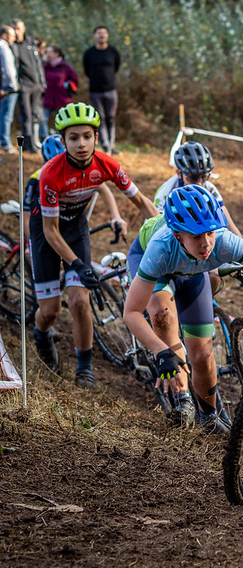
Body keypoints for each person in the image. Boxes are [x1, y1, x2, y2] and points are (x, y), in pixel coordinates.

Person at [123, 185, 243, 432]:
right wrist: (160, 351)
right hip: (156, 265)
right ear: (178, 235)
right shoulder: (160, 247)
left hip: (192, 271)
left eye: (209, 233)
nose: (207, 243)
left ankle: (208, 416)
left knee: (203, 354)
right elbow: (131, 312)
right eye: (197, 236)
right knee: (161, 317)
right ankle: (183, 398)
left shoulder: (223, 241)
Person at [30, 102, 158, 387]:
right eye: (73, 138)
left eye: (86, 136)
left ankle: (84, 368)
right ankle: (40, 333)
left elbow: (141, 202)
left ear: (96, 138)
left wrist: (166, 231)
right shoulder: (51, 174)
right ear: (63, 141)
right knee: (50, 311)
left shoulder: (107, 164)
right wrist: (76, 263)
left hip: (75, 229)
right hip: (46, 234)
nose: (81, 144)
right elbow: (50, 231)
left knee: (79, 300)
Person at [154, 140, 242, 293]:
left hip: (198, 243)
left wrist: (241, 246)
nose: (200, 184)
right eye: (194, 178)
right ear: (179, 173)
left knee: (213, 278)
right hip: (172, 245)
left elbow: (228, 221)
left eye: (205, 177)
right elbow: (162, 234)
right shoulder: (165, 194)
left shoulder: (209, 188)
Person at [23, 134, 126, 241]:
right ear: (45, 163)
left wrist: (116, 216)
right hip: (44, 226)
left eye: (64, 166)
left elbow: (103, 188)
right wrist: (35, 241)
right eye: (54, 166)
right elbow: (26, 218)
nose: (60, 171)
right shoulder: (35, 180)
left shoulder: (78, 171)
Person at [82, 26, 120, 154]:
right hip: (95, 91)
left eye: (104, 33)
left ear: (107, 35)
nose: (102, 35)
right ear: (94, 36)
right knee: (100, 118)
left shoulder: (113, 52)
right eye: (99, 33)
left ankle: (111, 144)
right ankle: (105, 145)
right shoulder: (89, 53)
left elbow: (116, 67)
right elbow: (86, 70)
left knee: (111, 117)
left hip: (111, 90)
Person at [11, 19, 46, 152]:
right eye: (14, 29)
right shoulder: (12, 45)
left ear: (23, 28)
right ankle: (28, 144)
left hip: (36, 84)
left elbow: (38, 63)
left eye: (18, 28)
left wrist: (42, 81)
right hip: (23, 86)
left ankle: (33, 142)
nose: (16, 31)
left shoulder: (31, 42)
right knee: (26, 115)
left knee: (35, 113)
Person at [40, 45, 78, 140]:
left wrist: (68, 86)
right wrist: (43, 61)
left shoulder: (65, 68)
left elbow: (75, 81)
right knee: (42, 119)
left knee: (65, 120)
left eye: (49, 52)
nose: (47, 54)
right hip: (47, 99)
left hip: (62, 99)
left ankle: (65, 139)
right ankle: (44, 138)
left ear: (56, 54)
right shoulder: (44, 66)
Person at [0, 25, 19, 154]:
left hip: (5, 86)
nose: (14, 38)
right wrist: (13, 85)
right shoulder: (3, 47)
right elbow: (8, 68)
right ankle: (5, 143)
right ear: (5, 35)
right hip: (8, 87)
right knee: (6, 116)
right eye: (12, 36)